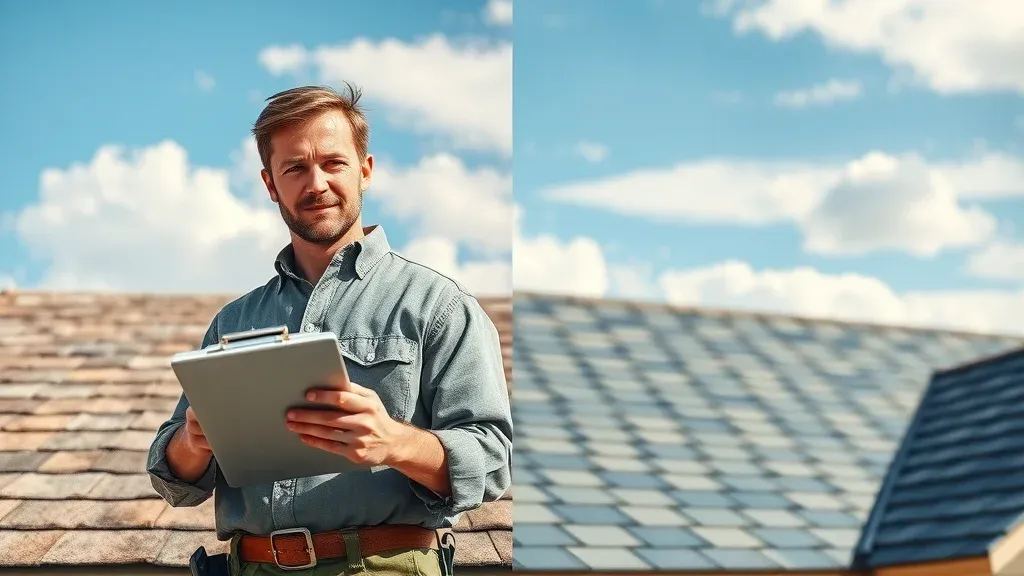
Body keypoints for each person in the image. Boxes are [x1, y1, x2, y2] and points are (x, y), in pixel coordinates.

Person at [146, 83, 513, 576]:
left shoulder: (441, 307)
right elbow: (175, 481)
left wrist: (393, 442)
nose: (315, 183)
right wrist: (192, 443)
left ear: (365, 170)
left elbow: (491, 459)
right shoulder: (232, 322)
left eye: (333, 163)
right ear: (270, 184)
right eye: (294, 167)